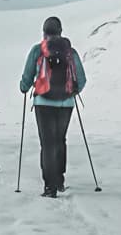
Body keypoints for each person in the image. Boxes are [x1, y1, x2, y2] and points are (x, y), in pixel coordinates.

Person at [19, 16, 86, 198]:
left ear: (44, 32)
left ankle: (50, 187)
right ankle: (60, 180)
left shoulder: (37, 50)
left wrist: (24, 87)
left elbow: (27, 76)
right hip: (66, 104)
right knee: (60, 140)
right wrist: (72, 91)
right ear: (60, 32)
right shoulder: (70, 52)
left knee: (47, 143)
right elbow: (81, 79)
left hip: (43, 103)